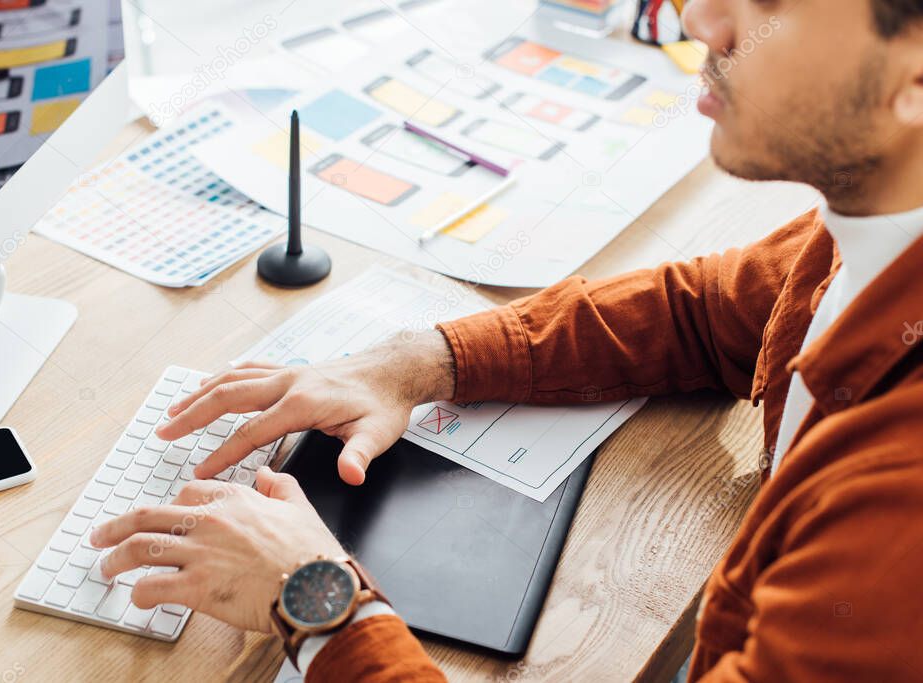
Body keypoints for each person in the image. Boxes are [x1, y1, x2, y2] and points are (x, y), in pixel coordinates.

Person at [90, 0, 923, 680]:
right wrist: (416, 362)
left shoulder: (893, 523)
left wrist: (312, 596)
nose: (699, 19)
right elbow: (704, 310)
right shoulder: (880, 217)